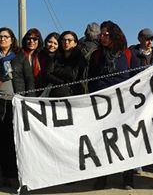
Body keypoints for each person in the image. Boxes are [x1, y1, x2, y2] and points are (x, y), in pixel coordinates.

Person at [88, 20, 140, 190]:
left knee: (126, 140)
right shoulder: (96, 55)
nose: (101, 37)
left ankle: (127, 177)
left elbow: (137, 78)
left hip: (124, 104)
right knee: (102, 140)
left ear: (114, 35)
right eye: (100, 34)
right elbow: (91, 80)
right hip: (102, 105)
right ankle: (102, 177)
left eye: (105, 34)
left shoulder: (128, 54)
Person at [0, 27, 34, 189]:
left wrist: (29, 101)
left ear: (12, 40)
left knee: (16, 140)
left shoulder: (20, 58)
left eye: (6, 36)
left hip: (16, 103)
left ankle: (17, 174)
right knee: (2, 141)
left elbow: (29, 79)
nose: (2, 39)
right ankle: (6, 174)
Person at [45, 31, 87, 97]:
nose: (66, 42)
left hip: (74, 95)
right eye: (64, 40)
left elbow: (73, 75)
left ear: (75, 43)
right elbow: (48, 74)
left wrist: (56, 71)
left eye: (69, 40)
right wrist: (62, 82)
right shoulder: (55, 57)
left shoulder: (80, 58)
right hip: (55, 94)